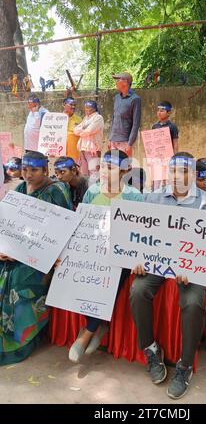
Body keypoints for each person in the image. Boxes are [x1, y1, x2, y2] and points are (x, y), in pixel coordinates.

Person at [130, 152, 206, 400]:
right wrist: (137, 259)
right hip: (156, 263)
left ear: (193, 174)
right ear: (167, 173)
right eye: (174, 171)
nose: (178, 177)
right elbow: (137, 232)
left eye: (185, 171)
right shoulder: (153, 198)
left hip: (190, 268)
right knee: (138, 290)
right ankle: (150, 349)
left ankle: (185, 365)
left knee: (191, 302)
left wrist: (194, 266)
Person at [68, 150, 143, 363]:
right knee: (80, 274)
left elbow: (139, 232)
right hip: (92, 252)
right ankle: (100, 325)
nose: (104, 171)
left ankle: (88, 332)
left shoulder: (133, 196)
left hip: (121, 256)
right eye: (102, 166)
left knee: (112, 274)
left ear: (124, 170)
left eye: (110, 167)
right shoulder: (92, 192)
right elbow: (83, 224)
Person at [0, 151, 73, 365]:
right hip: (14, 253)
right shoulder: (20, 189)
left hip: (43, 258)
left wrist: (23, 253)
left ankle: (24, 338)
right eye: (25, 169)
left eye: (34, 170)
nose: (28, 174)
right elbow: (7, 224)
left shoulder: (56, 191)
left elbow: (61, 232)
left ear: (45, 170)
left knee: (19, 282)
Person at [108, 72, 141, 157]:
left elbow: (136, 124)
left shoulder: (135, 99)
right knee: (114, 168)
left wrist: (130, 144)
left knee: (125, 168)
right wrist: (110, 139)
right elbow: (114, 118)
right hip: (113, 141)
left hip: (125, 142)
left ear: (125, 82)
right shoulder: (117, 97)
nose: (116, 83)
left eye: (118, 80)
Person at [74, 100, 104, 181]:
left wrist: (82, 131)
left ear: (94, 109)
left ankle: (94, 192)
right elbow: (75, 130)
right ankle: (86, 191)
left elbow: (89, 131)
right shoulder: (86, 118)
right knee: (84, 173)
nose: (86, 110)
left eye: (88, 108)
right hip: (83, 149)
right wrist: (83, 130)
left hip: (92, 150)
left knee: (94, 173)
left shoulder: (98, 118)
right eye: (85, 108)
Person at [62, 97, 82, 162]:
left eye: (74, 105)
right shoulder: (57, 119)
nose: (73, 107)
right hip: (62, 155)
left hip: (75, 156)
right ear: (64, 105)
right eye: (71, 104)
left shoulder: (79, 120)